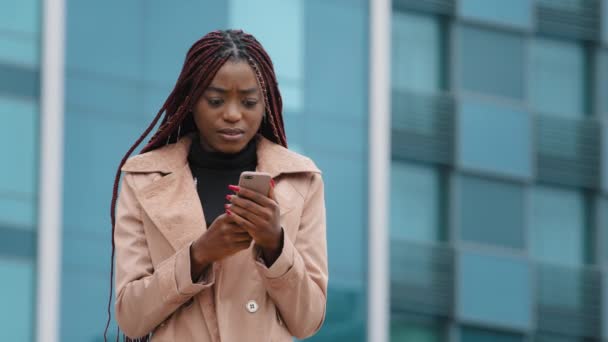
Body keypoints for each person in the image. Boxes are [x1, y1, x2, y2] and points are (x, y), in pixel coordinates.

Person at [104, 29, 328, 341]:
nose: (233, 114)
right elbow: (130, 317)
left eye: (249, 102)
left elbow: (308, 319)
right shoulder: (145, 179)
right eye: (216, 100)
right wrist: (199, 255)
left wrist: (275, 245)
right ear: (192, 101)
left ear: (266, 106)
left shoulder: (300, 180)